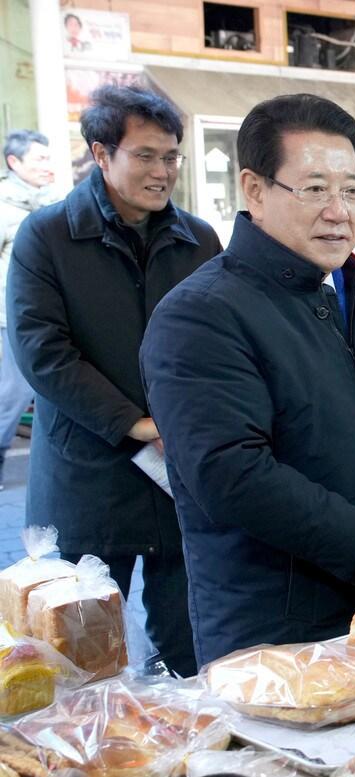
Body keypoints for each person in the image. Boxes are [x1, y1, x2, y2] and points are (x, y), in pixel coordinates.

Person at [140, 94, 355, 666]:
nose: (339, 210)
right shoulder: (202, 313)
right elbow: (233, 476)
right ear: (254, 190)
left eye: (353, 189)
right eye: (314, 188)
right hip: (276, 631)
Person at [6, 86, 220, 675]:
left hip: (180, 472)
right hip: (89, 471)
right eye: (146, 156)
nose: (163, 171)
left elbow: (221, 344)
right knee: (82, 657)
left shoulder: (198, 239)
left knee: (193, 645)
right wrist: (138, 423)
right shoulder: (45, 236)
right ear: (102, 154)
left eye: (172, 156)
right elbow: (42, 353)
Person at [0, 131, 53, 477]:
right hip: (9, 320)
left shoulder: (51, 202)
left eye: (48, 158)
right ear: (13, 163)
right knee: (10, 397)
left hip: (48, 318)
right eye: (39, 159)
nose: (47, 165)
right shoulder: (4, 206)